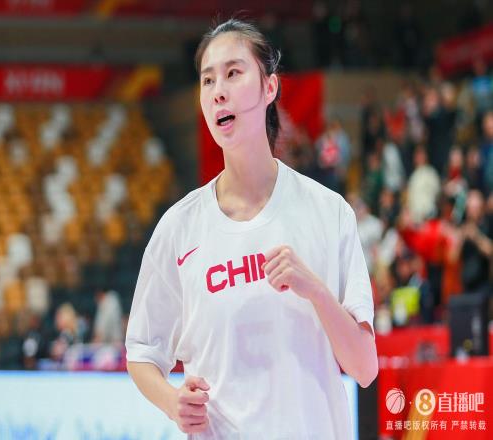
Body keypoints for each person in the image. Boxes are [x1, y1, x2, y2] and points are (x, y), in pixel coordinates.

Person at [125, 18, 377, 439]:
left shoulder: (328, 212)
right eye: (208, 80)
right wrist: (172, 402)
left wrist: (315, 290)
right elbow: (142, 352)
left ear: (269, 87)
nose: (218, 91)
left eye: (233, 73)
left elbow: (365, 368)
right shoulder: (179, 228)